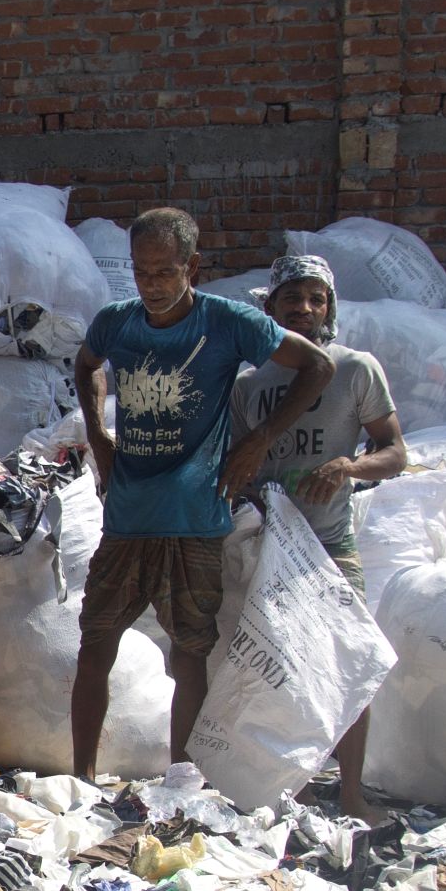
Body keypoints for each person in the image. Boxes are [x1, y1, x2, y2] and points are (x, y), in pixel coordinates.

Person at [69, 207, 335, 780]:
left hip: (194, 518)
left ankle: (180, 777)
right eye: (142, 272)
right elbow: (86, 364)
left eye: (165, 272)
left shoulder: (228, 322)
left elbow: (316, 366)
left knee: (189, 650)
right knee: (96, 640)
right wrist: (99, 434)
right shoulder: (117, 323)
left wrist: (259, 440)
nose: (152, 285)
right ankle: (82, 777)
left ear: (193, 266)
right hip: (128, 518)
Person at [233, 253, 406, 822]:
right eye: (293, 298)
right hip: (268, 549)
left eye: (317, 298)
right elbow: (235, 464)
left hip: (330, 548)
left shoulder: (355, 370)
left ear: (329, 306)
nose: (305, 309)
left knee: (351, 666)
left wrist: (350, 468)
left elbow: (396, 453)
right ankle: (295, 793)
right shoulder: (250, 382)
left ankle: (351, 794)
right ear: (272, 306)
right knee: (279, 673)